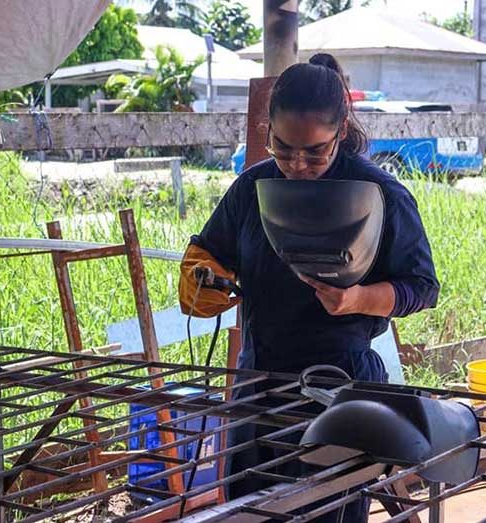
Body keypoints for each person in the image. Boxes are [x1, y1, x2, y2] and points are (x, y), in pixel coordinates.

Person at [177, 53, 440, 522]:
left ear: (340, 133)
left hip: (340, 387)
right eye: (282, 148)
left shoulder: (380, 194)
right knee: (249, 511)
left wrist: (358, 299)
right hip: (259, 385)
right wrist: (203, 277)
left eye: (315, 152)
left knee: (327, 511)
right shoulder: (252, 188)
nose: (297, 164)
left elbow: (422, 287)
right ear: (268, 130)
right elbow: (209, 251)